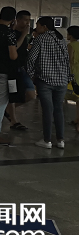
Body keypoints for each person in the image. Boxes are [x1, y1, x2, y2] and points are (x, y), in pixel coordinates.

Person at [27, 16, 72, 149]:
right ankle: (60, 140)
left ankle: (47, 140)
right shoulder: (61, 39)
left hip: (45, 80)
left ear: (44, 27)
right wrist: (67, 77)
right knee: (58, 110)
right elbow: (66, 60)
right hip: (61, 80)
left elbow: (31, 59)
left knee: (47, 110)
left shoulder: (40, 39)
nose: (36, 28)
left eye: (38, 25)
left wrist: (31, 75)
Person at [0, 7, 25, 144]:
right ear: (13, 19)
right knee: (0, 103)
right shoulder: (9, 33)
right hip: (4, 71)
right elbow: (13, 55)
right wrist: (22, 35)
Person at [6, 10, 36, 130]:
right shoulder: (11, 33)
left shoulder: (25, 35)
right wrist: (23, 34)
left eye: (29, 20)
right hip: (12, 69)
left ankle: (6, 111)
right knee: (12, 94)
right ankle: (13, 120)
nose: (27, 23)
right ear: (17, 20)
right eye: (25, 20)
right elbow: (15, 48)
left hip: (23, 68)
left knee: (31, 94)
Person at [67, 25, 79, 133]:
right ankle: (77, 119)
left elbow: (69, 61)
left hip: (75, 74)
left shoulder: (71, 46)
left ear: (70, 35)